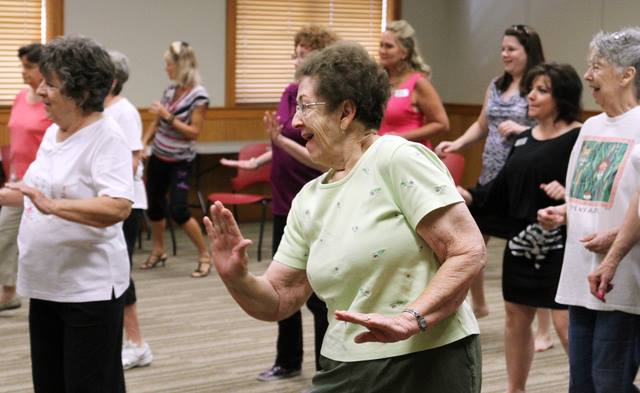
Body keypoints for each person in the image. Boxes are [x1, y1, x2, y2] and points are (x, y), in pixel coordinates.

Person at [206, 42, 486, 392]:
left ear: (345, 112)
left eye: (305, 106)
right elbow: (280, 297)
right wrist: (237, 278)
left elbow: (467, 250)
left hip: (427, 359)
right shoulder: (309, 198)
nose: (294, 121)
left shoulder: (396, 158)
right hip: (345, 361)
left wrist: (411, 318)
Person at [0, 36, 133, 393]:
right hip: (47, 285)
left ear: (78, 91)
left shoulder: (106, 137)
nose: (40, 90)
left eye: (50, 83)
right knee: (50, 384)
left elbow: (118, 205)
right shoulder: (54, 134)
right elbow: (31, 195)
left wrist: (54, 207)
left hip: (87, 293)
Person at [221, 25, 337, 381]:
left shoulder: (325, 99)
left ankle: (325, 371)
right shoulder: (290, 92)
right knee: (282, 283)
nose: (295, 56)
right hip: (283, 202)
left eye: (303, 50)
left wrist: (278, 143)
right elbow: (281, 141)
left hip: (315, 201)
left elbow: (320, 157)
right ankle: (287, 361)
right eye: (295, 49)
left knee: (318, 295)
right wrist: (255, 162)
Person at [458, 63, 582, 393]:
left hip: (562, 246)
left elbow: (594, 194)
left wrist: (568, 195)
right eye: (531, 88)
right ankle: (516, 389)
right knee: (516, 316)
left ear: (562, 97)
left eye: (542, 89)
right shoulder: (525, 138)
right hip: (522, 246)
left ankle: (587, 386)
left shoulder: (580, 136)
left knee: (565, 325)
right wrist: (469, 194)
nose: (531, 95)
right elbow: (500, 190)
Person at [538, 28, 640, 393]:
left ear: (627, 74)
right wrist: (564, 212)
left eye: (597, 67)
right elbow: (593, 195)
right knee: (581, 383)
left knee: (610, 382)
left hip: (624, 278)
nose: (588, 76)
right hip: (581, 274)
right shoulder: (592, 126)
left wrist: (615, 238)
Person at [435, 24, 545, 322]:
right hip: (491, 177)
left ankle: (544, 327)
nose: (504, 55)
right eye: (502, 49)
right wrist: (456, 144)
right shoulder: (496, 84)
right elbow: (483, 125)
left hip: (524, 178)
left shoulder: (540, 86)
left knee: (532, 251)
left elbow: (552, 129)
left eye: (511, 49)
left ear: (528, 52)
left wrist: (524, 130)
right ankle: (480, 304)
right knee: (471, 240)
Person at [141, 41, 210, 277]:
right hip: (159, 156)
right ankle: (159, 249)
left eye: (169, 65)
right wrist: (143, 144)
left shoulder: (199, 96)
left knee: (178, 210)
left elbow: (194, 132)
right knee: (154, 206)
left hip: (181, 160)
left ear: (180, 66)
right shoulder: (170, 90)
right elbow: (156, 122)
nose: (166, 69)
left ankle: (204, 254)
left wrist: (167, 116)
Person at [104, 50, 153, 370]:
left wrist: (113, 191)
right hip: (111, 203)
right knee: (109, 272)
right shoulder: (101, 109)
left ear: (112, 80)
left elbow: (135, 156)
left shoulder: (123, 112)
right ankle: (120, 342)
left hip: (128, 203)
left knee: (121, 272)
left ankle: (137, 345)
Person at [0, 43, 51, 312]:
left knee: (43, 240)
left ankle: (48, 296)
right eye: (22, 65)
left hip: (44, 184)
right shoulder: (21, 97)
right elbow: (16, 136)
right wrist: (11, 173)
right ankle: (8, 292)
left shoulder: (52, 102)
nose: (23, 71)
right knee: (4, 235)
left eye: (29, 66)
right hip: (18, 179)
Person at [377, 20, 449, 148]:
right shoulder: (378, 80)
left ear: (404, 52)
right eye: (381, 45)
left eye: (388, 46)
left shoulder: (418, 82)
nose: (382, 50)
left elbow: (442, 124)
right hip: (381, 152)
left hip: (409, 154)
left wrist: (401, 137)